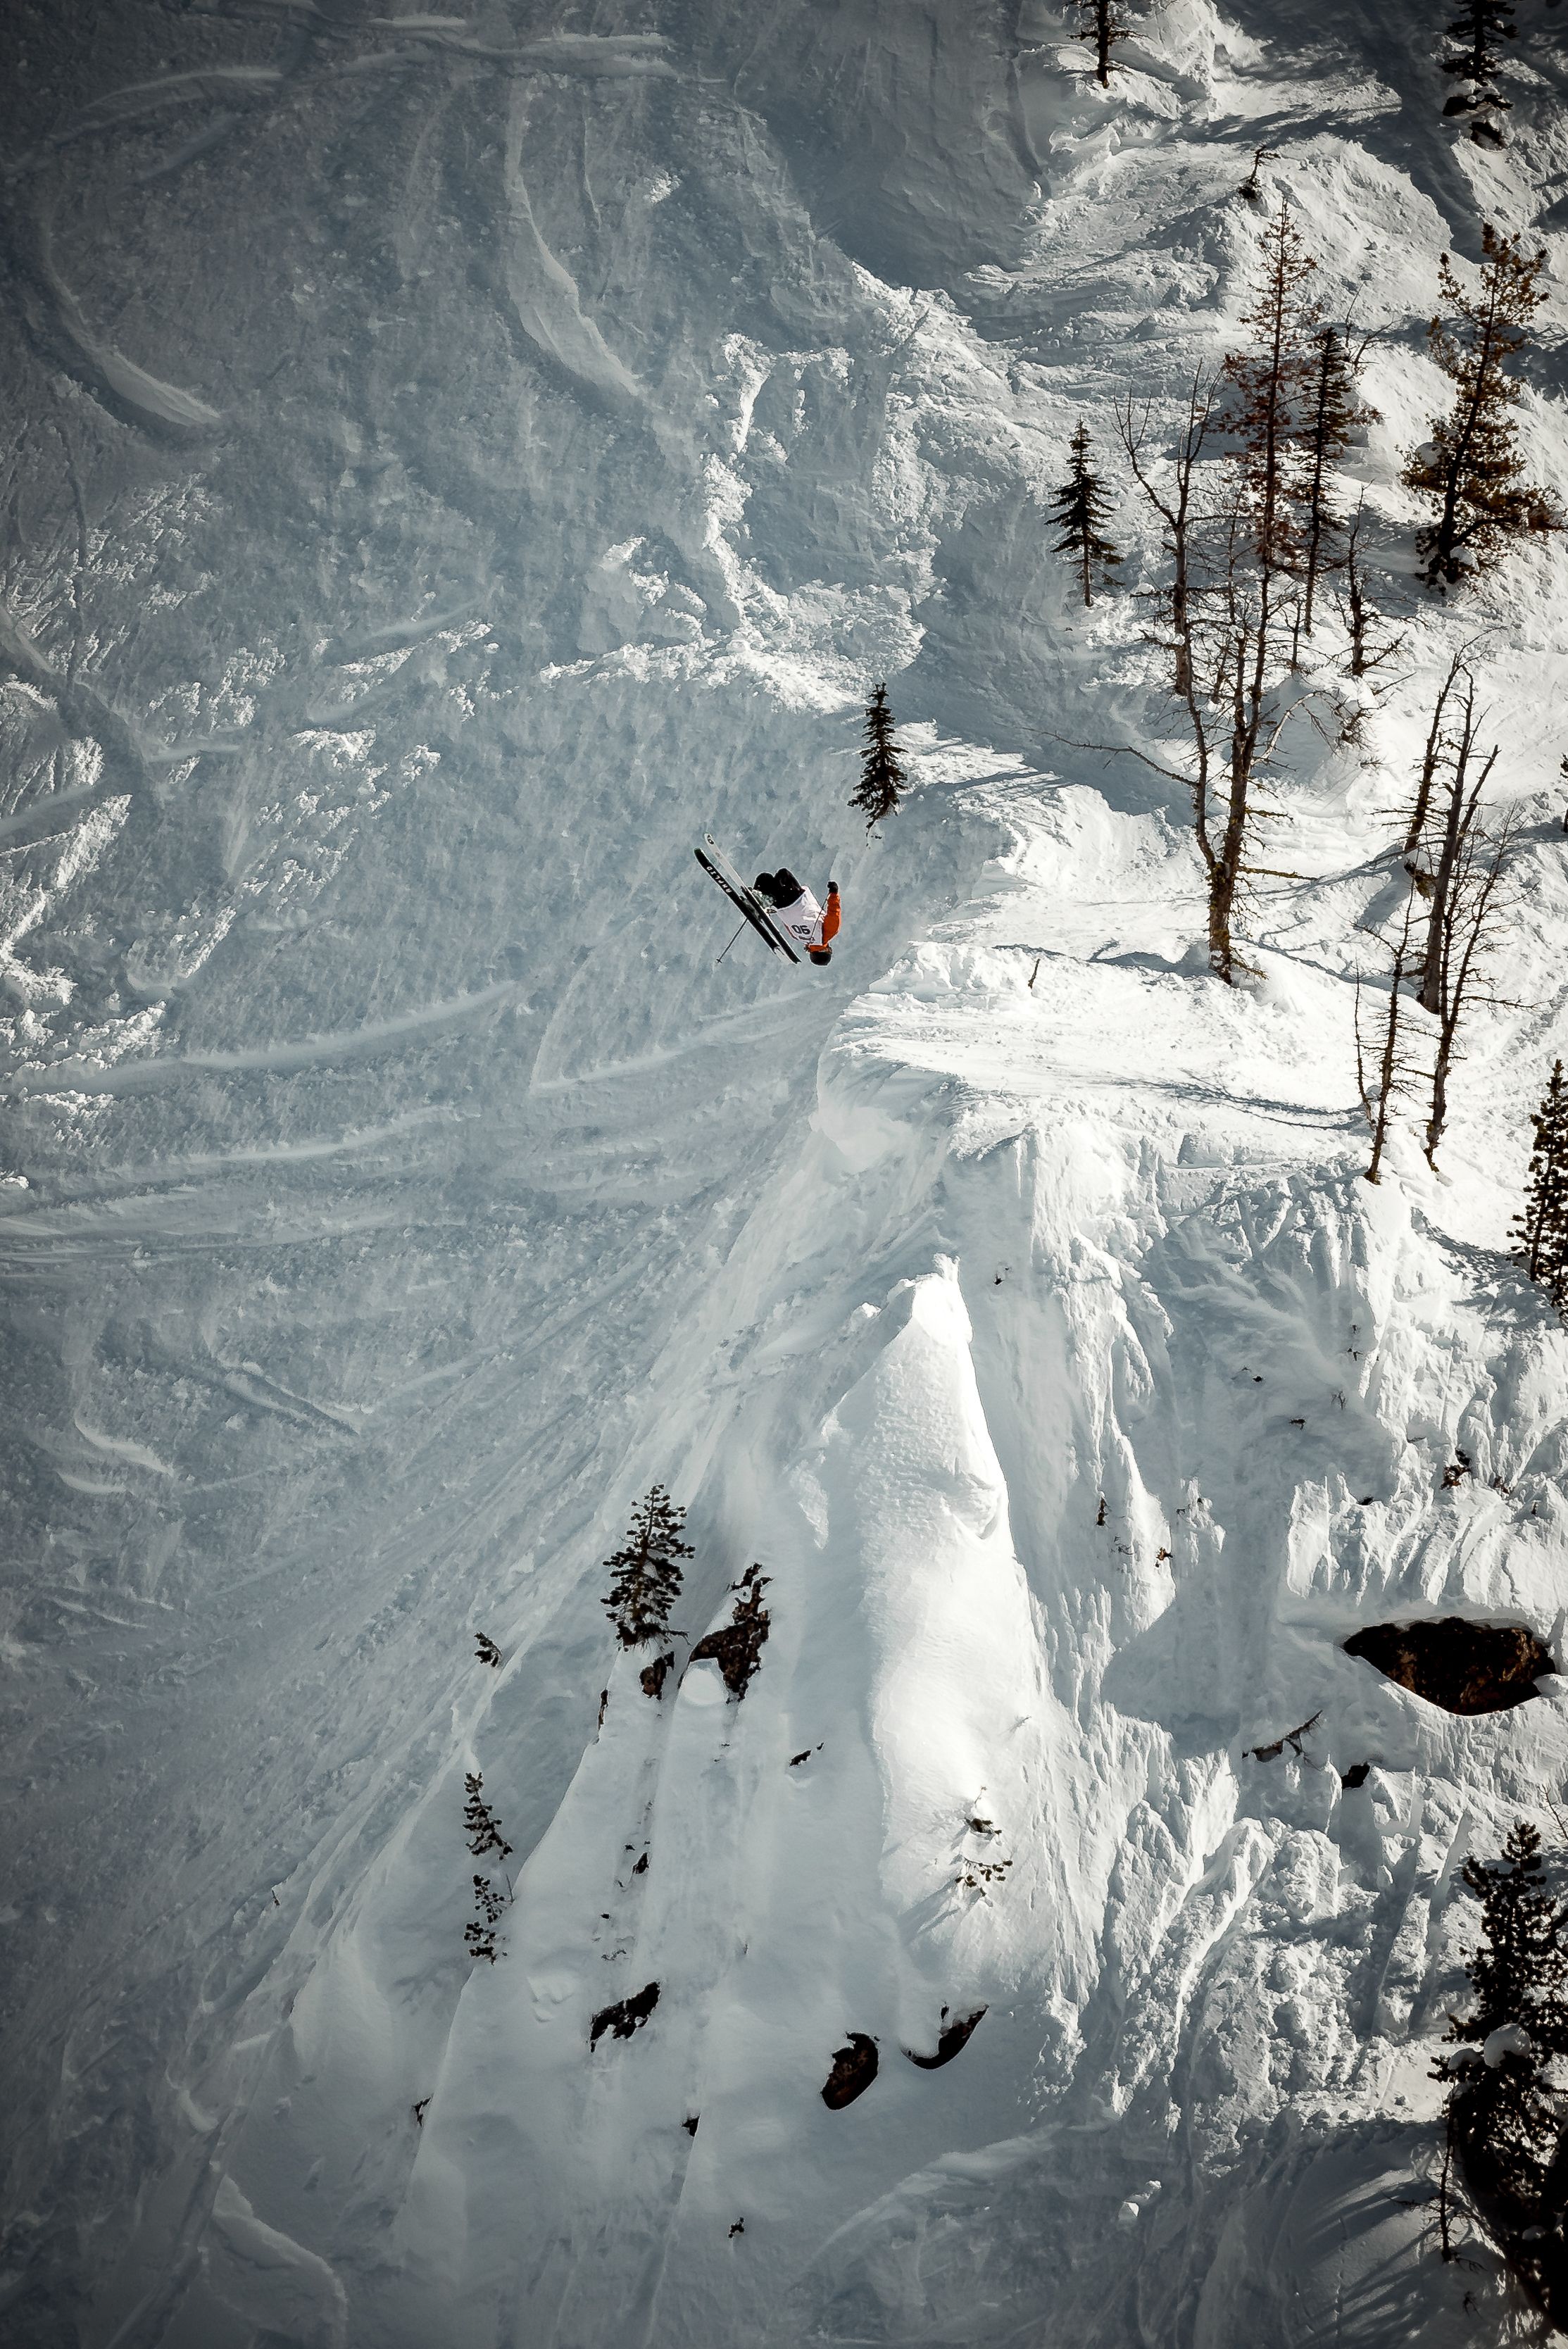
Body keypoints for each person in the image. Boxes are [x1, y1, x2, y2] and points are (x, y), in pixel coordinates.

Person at [754, 870, 840, 965]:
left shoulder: (828, 934)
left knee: (784, 874)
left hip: (797, 899)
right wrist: (776, 910)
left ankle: (760, 899)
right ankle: (760, 899)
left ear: (826, 950)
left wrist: (834, 893)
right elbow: (788, 924)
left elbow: (834, 912)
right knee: (766, 879)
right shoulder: (799, 937)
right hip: (781, 906)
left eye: (830, 950)